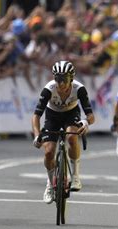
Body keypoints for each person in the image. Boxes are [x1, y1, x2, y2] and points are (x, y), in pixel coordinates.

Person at [32, 60, 95, 204]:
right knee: (49, 152)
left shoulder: (79, 89)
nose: (60, 84)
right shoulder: (49, 89)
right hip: (52, 116)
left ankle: (76, 177)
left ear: (71, 79)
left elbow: (91, 116)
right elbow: (36, 116)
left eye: (64, 79)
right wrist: (36, 135)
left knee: (72, 138)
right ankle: (49, 184)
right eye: (57, 79)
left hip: (71, 114)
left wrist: (85, 122)